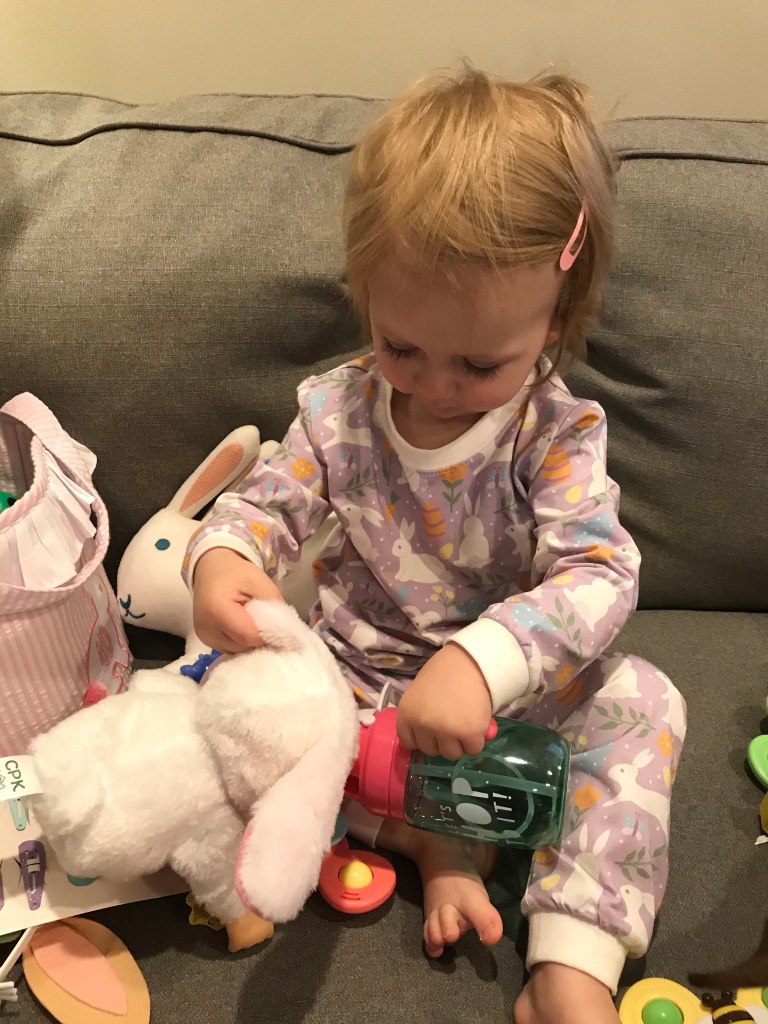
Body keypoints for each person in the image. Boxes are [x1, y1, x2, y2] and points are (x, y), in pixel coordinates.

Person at [186, 65, 686, 1024]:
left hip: (507, 698)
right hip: (353, 684)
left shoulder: (554, 434)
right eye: (402, 346)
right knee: (232, 714)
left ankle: (572, 960)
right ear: (366, 292)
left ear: (557, 317)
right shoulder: (337, 412)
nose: (436, 386)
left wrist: (483, 661)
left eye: (480, 363)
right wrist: (224, 561)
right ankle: (429, 838)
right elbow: (261, 504)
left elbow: (601, 570)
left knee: (644, 700)